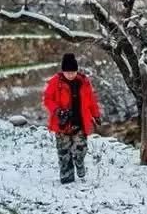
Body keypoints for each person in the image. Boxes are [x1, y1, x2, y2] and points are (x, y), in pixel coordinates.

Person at [42, 53, 102, 184]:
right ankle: (67, 179)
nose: (70, 75)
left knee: (81, 149)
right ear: (63, 71)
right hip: (62, 124)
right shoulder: (55, 82)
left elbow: (91, 100)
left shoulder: (84, 81)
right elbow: (47, 99)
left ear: (76, 70)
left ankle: (79, 163)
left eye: (73, 72)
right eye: (67, 72)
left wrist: (96, 114)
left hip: (80, 122)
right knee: (64, 153)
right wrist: (57, 110)